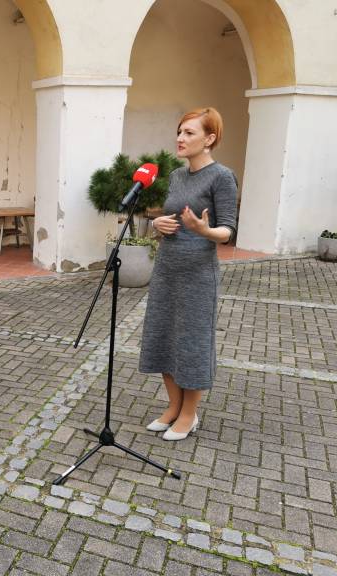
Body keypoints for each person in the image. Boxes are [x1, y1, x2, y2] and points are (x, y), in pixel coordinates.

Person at [139, 107, 238, 441]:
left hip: (198, 274)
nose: (180, 138)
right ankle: (173, 406)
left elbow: (227, 231)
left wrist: (204, 230)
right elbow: (170, 217)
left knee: (191, 342)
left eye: (189, 133)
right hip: (167, 268)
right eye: (179, 132)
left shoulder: (222, 177)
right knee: (163, 335)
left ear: (209, 139)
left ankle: (189, 414)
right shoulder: (177, 176)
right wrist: (158, 223)